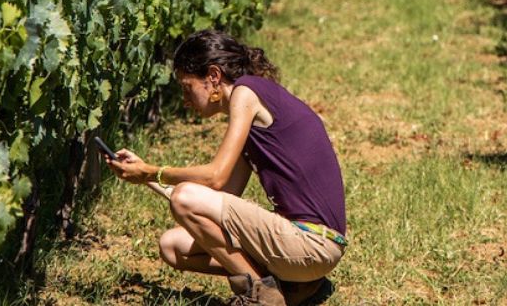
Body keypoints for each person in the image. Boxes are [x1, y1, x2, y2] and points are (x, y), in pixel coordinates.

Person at [105, 30, 346, 306]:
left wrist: (151, 170)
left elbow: (215, 177)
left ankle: (262, 296)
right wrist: (144, 177)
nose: (185, 100)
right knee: (172, 247)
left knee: (185, 198)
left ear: (214, 77)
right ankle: (295, 287)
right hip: (306, 252)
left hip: (311, 243)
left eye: (187, 88)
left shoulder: (246, 93)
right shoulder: (253, 114)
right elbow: (217, 198)